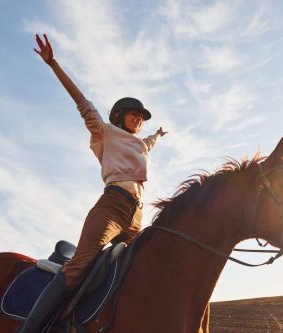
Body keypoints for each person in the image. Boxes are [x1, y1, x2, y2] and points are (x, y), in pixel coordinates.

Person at [19, 34, 167, 333]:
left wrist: (159, 135)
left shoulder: (141, 144)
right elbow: (82, 102)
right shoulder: (105, 132)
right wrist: (53, 64)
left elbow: (148, 143)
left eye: (142, 117)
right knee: (80, 265)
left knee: (140, 267)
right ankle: (30, 330)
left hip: (136, 214)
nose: (139, 119)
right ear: (118, 115)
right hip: (111, 206)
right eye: (134, 114)